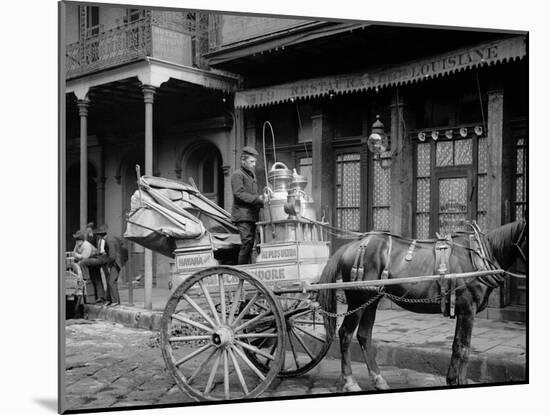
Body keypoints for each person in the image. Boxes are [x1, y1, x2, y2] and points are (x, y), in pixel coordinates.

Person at [231, 146, 266, 264]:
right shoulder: (237, 175)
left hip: (251, 215)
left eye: (255, 162)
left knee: (251, 244)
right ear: (243, 161)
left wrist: (263, 200)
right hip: (243, 215)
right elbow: (238, 194)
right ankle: (241, 272)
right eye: (252, 161)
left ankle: (249, 270)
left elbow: (252, 195)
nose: (254, 164)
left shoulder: (250, 176)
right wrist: (258, 199)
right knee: (247, 243)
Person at [79, 224, 125, 306]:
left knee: (111, 281)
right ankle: (109, 300)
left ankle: (115, 301)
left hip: (117, 261)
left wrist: (107, 263)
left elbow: (112, 256)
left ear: (100, 235)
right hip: (114, 261)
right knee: (109, 281)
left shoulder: (109, 241)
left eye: (98, 235)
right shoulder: (107, 239)